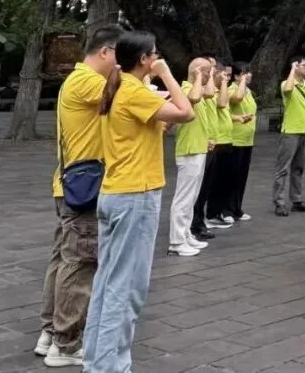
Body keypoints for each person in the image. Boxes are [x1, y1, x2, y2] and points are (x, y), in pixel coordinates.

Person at [82, 31, 194, 373]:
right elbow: (186, 112)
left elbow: (159, 126)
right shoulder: (131, 90)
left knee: (107, 283)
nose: (157, 58)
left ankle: (97, 361)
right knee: (126, 288)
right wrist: (168, 75)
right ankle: (109, 367)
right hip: (135, 196)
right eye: (154, 54)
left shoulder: (120, 89)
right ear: (144, 59)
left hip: (118, 192)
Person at [36, 25, 121, 367]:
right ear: (105, 52)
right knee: (81, 262)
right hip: (83, 189)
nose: (122, 64)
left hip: (69, 184)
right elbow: (126, 97)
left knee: (64, 260)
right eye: (121, 56)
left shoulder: (77, 79)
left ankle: (51, 333)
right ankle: (66, 344)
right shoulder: (88, 81)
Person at [167, 58, 212, 257]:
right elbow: (193, 98)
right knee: (183, 198)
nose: (209, 76)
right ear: (196, 72)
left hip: (198, 148)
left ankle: (185, 234)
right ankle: (176, 241)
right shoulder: (185, 89)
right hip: (188, 150)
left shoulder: (198, 89)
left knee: (192, 196)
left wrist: (205, 76)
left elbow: (209, 93)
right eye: (207, 72)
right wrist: (198, 76)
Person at [274, 56, 305, 216]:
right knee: (282, 168)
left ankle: (296, 199)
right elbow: (288, 90)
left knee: (299, 167)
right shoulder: (287, 83)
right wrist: (292, 69)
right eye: (304, 65)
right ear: (296, 66)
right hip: (290, 131)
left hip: (304, 131)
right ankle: (279, 201)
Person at [190, 57, 219, 242]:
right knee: (190, 195)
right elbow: (201, 95)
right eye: (209, 69)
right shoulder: (189, 88)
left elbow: (210, 93)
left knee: (203, 189)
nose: (212, 73)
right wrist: (202, 76)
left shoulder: (205, 88)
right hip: (192, 148)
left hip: (206, 143)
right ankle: (189, 229)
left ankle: (198, 223)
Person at [205, 61, 235, 228]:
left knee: (224, 180)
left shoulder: (219, 90)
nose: (226, 78)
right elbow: (222, 103)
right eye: (224, 74)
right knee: (214, 181)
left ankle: (218, 212)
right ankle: (210, 213)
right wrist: (223, 83)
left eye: (228, 76)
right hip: (217, 140)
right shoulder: (212, 91)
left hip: (226, 139)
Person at [228, 64, 256, 221]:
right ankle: (228, 209)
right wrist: (243, 83)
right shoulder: (232, 89)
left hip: (247, 141)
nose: (248, 75)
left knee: (242, 177)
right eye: (244, 73)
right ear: (237, 76)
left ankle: (237, 208)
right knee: (232, 176)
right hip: (235, 140)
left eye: (249, 72)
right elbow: (237, 99)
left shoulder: (249, 92)